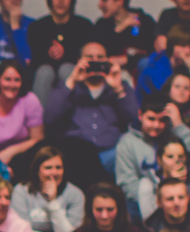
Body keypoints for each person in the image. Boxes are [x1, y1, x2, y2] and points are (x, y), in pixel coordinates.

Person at [43, 43, 142, 187]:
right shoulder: (69, 86)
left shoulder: (121, 86)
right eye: (90, 57)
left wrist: (118, 89)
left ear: (108, 61)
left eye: (100, 58)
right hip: (76, 155)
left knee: (129, 151)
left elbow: (135, 120)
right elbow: (49, 118)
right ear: (79, 61)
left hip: (111, 154)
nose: (95, 61)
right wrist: (72, 81)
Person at [116, 94, 190, 222]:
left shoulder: (175, 133)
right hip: (145, 202)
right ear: (140, 115)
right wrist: (161, 198)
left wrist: (179, 125)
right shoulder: (127, 143)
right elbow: (127, 184)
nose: (156, 125)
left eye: (162, 120)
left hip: (181, 197)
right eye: (151, 119)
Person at [27, 0, 95, 104]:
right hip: (44, 72)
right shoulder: (37, 27)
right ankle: (38, 116)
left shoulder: (84, 25)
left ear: (72, 0)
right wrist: (50, 53)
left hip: (73, 71)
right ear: (49, 0)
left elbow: (87, 55)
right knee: (45, 71)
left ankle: (75, 114)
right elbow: (35, 58)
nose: (61, 1)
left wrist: (66, 52)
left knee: (67, 69)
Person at [12, 145, 86, 232]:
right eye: (48, 168)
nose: (54, 173)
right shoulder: (21, 191)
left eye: (58, 168)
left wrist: (53, 202)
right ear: (37, 171)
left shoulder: (75, 194)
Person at [92, 0, 155, 67]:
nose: (100, 5)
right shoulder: (101, 24)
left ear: (120, 2)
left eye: (104, 0)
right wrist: (119, 28)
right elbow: (98, 52)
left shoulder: (144, 21)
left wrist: (127, 60)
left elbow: (153, 53)